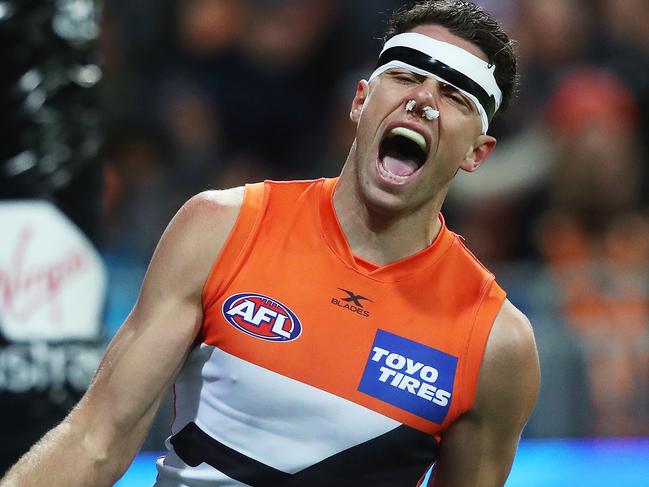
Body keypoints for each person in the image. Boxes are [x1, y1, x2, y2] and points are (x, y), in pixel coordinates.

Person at [1, 1, 540, 485]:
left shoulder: (493, 342)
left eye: (453, 95)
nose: (422, 102)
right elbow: (95, 442)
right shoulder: (223, 228)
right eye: (405, 76)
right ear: (360, 101)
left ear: (478, 152)